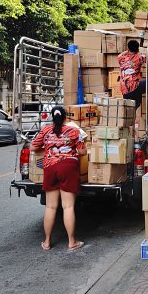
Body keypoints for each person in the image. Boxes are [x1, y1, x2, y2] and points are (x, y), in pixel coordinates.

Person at [30, 106, 87, 252]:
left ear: (52, 117)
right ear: (66, 117)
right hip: (68, 167)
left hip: (50, 167)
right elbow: (82, 151)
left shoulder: (45, 130)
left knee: (50, 207)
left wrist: (49, 149)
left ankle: (47, 242)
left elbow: (32, 148)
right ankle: (71, 242)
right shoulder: (74, 131)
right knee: (68, 207)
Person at [119, 40, 148, 110]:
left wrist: (127, 51)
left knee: (131, 110)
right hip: (134, 87)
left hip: (124, 90)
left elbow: (120, 54)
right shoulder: (139, 58)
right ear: (138, 50)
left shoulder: (121, 59)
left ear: (128, 49)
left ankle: (132, 121)